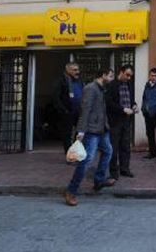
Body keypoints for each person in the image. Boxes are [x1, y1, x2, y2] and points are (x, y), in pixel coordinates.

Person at [64, 68, 116, 206]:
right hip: (92, 130)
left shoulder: (101, 88)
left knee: (108, 151)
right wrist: (81, 131)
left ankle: (99, 180)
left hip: (102, 128)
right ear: (103, 75)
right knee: (87, 160)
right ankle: (71, 190)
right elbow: (85, 110)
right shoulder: (91, 89)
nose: (112, 79)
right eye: (110, 76)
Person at [106, 64, 137, 179]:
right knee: (114, 147)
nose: (129, 78)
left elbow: (131, 99)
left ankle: (125, 169)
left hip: (126, 120)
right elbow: (109, 103)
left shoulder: (129, 84)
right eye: (127, 75)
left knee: (125, 146)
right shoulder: (112, 85)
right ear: (121, 72)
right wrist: (122, 109)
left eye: (130, 76)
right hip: (115, 121)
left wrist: (134, 105)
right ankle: (113, 171)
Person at [52, 62, 84, 154]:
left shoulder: (79, 81)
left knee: (79, 133)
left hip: (79, 112)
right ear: (68, 70)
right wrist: (64, 110)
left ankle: (76, 152)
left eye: (78, 69)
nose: (77, 72)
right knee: (67, 134)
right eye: (75, 70)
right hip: (67, 112)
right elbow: (56, 97)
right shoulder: (61, 81)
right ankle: (69, 154)